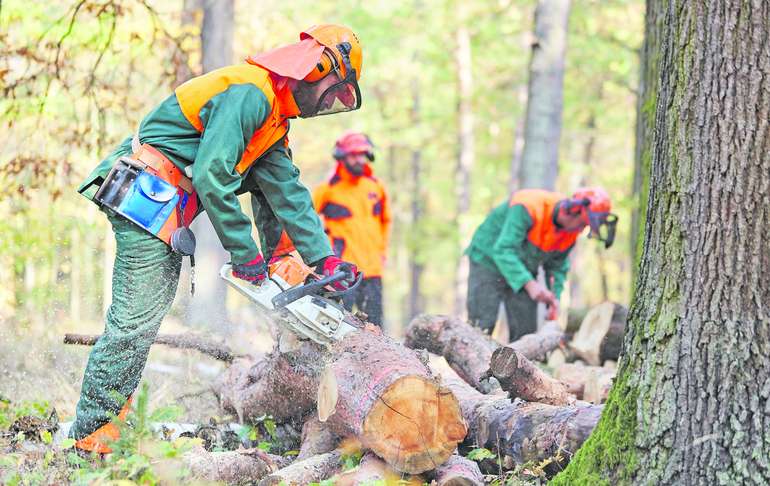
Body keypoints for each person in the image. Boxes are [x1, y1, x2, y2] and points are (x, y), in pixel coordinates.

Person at [71, 24, 364, 454]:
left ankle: (113, 420)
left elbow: (286, 191)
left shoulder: (274, 121)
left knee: (143, 320)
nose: (327, 103)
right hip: (145, 193)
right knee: (134, 322)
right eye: (331, 91)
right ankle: (91, 435)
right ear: (315, 68)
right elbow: (211, 173)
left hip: (164, 203)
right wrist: (245, 254)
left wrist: (324, 261)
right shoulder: (251, 94)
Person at [465, 187, 617, 341]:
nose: (582, 229)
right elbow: (503, 250)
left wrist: (554, 299)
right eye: (583, 224)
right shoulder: (529, 207)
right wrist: (530, 284)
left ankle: (518, 363)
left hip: (523, 268)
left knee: (525, 330)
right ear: (572, 211)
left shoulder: (570, 233)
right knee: (482, 324)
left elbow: (557, 267)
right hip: (488, 260)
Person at [313, 132, 390, 326]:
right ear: (342, 156)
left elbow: (385, 222)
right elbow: (306, 218)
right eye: (353, 155)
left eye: (361, 154)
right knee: (337, 323)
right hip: (342, 271)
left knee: (375, 327)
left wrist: (382, 253)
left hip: (372, 271)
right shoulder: (328, 189)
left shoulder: (376, 187)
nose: (358, 160)